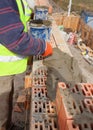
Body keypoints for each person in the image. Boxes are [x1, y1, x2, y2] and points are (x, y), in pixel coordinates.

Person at [0, 0, 53, 130]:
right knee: (1, 110)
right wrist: (43, 47)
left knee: (7, 103)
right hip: (2, 70)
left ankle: (8, 125)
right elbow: (15, 39)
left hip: (8, 69)